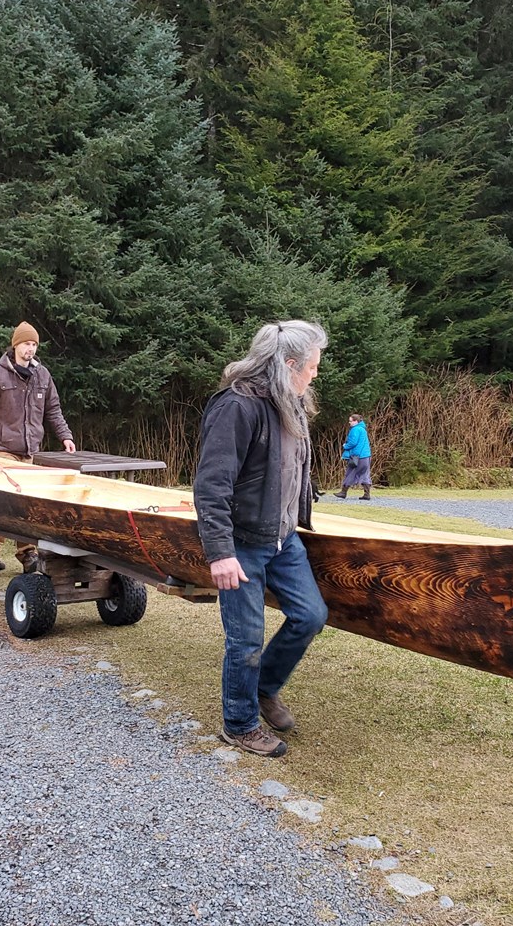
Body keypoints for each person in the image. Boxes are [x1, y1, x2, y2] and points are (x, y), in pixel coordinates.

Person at [193, 320, 330, 758]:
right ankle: (239, 724)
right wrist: (220, 553)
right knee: (246, 639)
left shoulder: (289, 402)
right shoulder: (238, 406)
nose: (314, 374)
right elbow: (211, 485)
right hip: (243, 542)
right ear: (289, 364)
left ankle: (264, 689)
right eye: (311, 366)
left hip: (282, 539)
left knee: (310, 615)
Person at [0, 321, 76, 572]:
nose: (30, 349)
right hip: (0, 449)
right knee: (2, 504)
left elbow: (53, 410)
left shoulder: (42, 375)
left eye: (34, 344)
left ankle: (27, 554)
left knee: (26, 506)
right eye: (26, 344)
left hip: (28, 451)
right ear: (15, 346)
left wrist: (65, 436)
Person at [334, 413, 372, 500]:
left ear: (356, 421)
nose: (349, 423)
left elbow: (353, 442)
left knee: (350, 473)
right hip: (366, 456)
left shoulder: (355, 430)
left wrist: (345, 446)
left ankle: (343, 492)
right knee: (365, 474)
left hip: (357, 456)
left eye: (350, 421)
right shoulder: (363, 429)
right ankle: (367, 494)